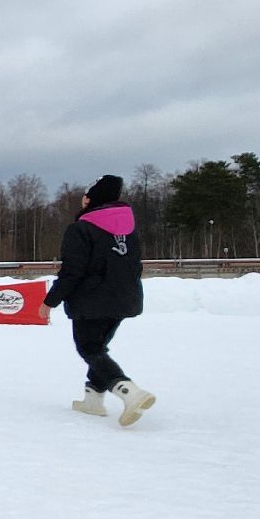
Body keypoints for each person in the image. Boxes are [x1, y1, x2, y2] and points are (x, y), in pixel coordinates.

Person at [43, 174, 156, 426]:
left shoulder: (81, 229)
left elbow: (72, 271)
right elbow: (134, 266)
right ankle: (93, 400)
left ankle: (128, 391)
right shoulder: (129, 230)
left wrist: (50, 301)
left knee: (90, 349)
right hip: (125, 299)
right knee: (98, 350)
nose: (82, 198)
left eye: (86, 194)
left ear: (91, 199)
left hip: (91, 301)